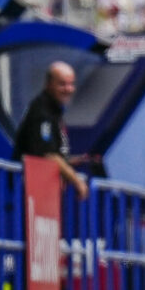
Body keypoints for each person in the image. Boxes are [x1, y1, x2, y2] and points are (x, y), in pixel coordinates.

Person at [12, 61, 89, 201]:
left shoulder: (55, 109)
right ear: (48, 84)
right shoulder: (42, 110)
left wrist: (69, 161)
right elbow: (47, 154)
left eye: (71, 84)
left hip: (45, 193)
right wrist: (76, 180)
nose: (68, 89)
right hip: (32, 193)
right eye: (62, 84)